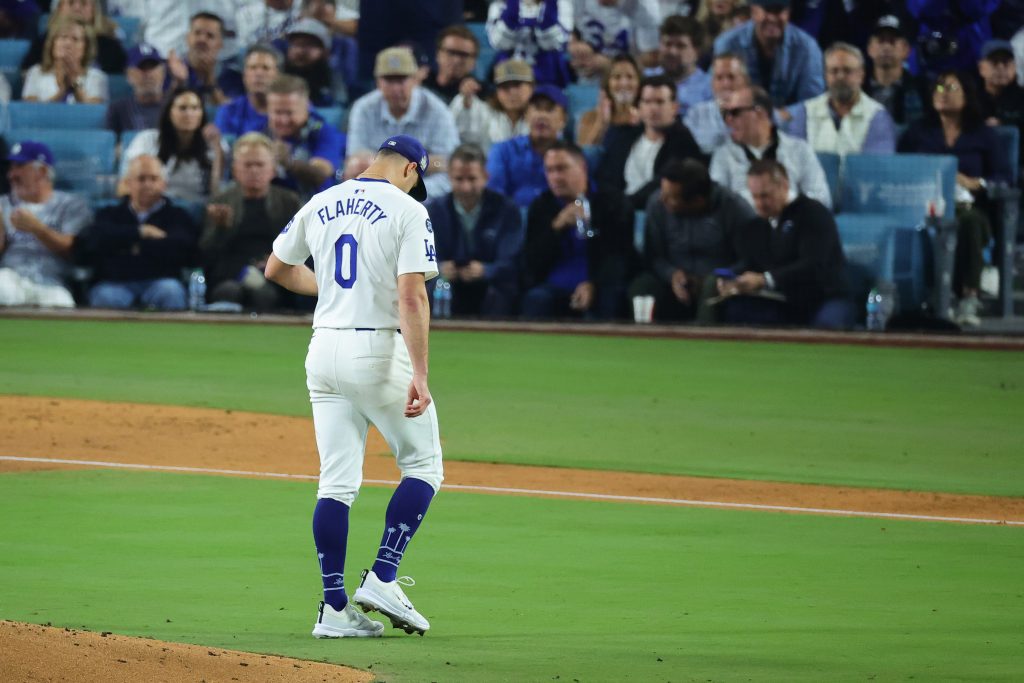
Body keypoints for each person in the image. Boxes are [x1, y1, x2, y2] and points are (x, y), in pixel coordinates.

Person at [264, 134, 442, 639]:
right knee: (424, 466)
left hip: (323, 350)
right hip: (376, 351)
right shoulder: (408, 211)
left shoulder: (322, 201)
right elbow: (412, 297)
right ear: (410, 168)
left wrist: (340, 290)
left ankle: (334, 609)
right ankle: (384, 576)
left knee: (336, 483)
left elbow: (276, 268)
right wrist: (421, 374)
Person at [897, 71, 1011, 327]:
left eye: (950, 88)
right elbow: (899, 166)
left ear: (966, 95)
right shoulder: (918, 131)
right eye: (938, 88)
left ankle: (969, 297)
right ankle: (928, 296)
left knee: (968, 222)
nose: (943, 94)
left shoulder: (983, 134)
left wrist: (975, 183)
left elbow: (1005, 177)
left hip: (968, 206)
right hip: (923, 205)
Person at [716, 159, 852, 328]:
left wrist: (764, 280)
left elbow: (814, 265)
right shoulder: (758, 225)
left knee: (825, 327)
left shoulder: (813, 213)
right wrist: (733, 278)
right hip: (785, 300)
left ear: (784, 186)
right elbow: (752, 261)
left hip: (826, 297)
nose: (759, 204)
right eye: (755, 196)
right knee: (736, 310)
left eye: (765, 195)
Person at [629, 158, 754, 322]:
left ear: (697, 201)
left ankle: (706, 342)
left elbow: (749, 260)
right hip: (673, 284)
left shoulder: (735, 208)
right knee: (642, 287)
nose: (662, 199)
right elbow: (653, 256)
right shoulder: (657, 204)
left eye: (670, 197)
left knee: (711, 286)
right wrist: (671, 274)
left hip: (720, 285)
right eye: (662, 192)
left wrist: (712, 278)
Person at [522, 140, 634, 319]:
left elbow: (619, 255)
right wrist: (556, 227)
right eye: (549, 170)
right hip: (554, 284)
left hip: (601, 281)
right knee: (536, 299)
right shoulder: (541, 206)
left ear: (582, 167)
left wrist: (593, 284)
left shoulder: (613, 202)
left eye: (562, 169)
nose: (555, 177)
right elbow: (532, 260)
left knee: (607, 299)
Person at [75, 155, 199, 311]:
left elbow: (183, 248)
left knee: (171, 292)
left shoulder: (178, 216)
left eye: (153, 179)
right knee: (104, 296)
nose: (147, 184)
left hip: (161, 281)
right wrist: (140, 232)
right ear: (128, 183)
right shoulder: (109, 214)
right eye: (141, 179)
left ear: (163, 184)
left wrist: (127, 246)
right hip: (115, 283)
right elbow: (94, 241)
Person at [201, 133, 301, 312]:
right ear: (235, 170)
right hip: (228, 274)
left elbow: (301, 248)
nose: (254, 170)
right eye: (248, 165)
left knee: (264, 294)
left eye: (260, 165)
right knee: (228, 291)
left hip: (274, 276)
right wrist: (220, 228)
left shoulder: (289, 202)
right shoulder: (219, 202)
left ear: (272, 169)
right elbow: (205, 253)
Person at [346, 47, 460, 199]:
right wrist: (418, 163)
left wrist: (401, 190)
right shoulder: (364, 108)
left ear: (415, 79)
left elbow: (447, 166)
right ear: (378, 81)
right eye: (389, 80)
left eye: (401, 80)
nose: (395, 88)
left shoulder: (438, 111)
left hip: (424, 194)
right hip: (374, 192)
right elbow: (357, 160)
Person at [425, 144, 524, 317]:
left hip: (491, 285)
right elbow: (425, 256)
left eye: (472, 179)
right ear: (449, 177)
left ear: (486, 177)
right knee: (434, 285)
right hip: (449, 284)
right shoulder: (434, 210)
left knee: (503, 288)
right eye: (459, 179)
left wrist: (487, 270)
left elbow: (512, 259)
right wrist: (440, 268)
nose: (466, 187)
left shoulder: (506, 209)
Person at [0, 141, 91, 308]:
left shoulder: (71, 205)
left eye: (19, 166)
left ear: (42, 171)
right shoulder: (3, 205)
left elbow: (73, 251)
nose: (11, 175)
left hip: (52, 284)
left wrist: (37, 228)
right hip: (11, 278)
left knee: (63, 304)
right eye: (11, 168)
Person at [710, 85, 831, 208]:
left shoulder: (800, 150)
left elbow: (821, 199)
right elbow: (717, 204)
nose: (728, 120)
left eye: (735, 113)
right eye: (725, 113)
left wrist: (784, 200)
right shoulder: (723, 156)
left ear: (760, 113)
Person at [597, 75, 703, 210]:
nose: (653, 108)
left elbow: (664, 184)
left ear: (674, 107)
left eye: (659, 102)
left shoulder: (684, 141)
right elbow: (605, 177)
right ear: (639, 107)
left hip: (658, 212)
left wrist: (624, 204)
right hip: (618, 212)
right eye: (647, 102)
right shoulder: (624, 137)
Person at [782, 42, 896, 155]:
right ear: (825, 75)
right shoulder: (804, 113)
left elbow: (876, 166)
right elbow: (794, 161)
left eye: (847, 71)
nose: (840, 77)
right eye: (834, 71)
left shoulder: (877, 116)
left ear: (861, 75)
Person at [120, 87, 223, 204]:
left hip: (199, 207)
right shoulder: (146, 140)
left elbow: (217, 192)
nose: (189, 114)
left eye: (195, 108)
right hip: (157, 206)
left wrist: (217, 149)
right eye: (182, 108)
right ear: (169, 112)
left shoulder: (214, 143)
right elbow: (127, 183)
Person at [713, 0, 823, 108]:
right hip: (739, 118)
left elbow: (813, 103)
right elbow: (719, 96)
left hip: (791, 122)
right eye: (767, 10)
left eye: (778, 11)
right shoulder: (727, 44)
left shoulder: (808, 47)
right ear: (753, 11)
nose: (772, 18)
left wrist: (778, 117)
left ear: (788, 12)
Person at [264, 75, 346, 200]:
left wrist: (289, 163)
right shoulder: (262, 134)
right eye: (277, 112)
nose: (283, 120)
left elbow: (321, 174)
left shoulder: (324, 133)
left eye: (289, 112)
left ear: (307, 107)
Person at [487, 85, 570, 209]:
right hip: (513, 223)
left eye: (549, 109)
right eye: (536, 108)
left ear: (563, 119)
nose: (542, 115)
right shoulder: (503, 151)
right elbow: (493, 197)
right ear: (526, 115)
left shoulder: (572, 156)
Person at [451, 59, 534, 155]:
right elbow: (463, 135)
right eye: (504, 87)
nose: (512, 92)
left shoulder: (543, 115)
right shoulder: (485, 112)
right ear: (497, 91)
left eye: (517, 85)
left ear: (531, 87)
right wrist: (466, 101)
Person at [21, 0, 126, 74]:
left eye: (84, 3)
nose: (77, 8)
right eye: (71, 2)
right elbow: (26, 73)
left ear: (94, 10)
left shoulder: (110, 46)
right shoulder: (44, 41)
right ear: (60, 8)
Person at [487, 0, 574, 86]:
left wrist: (549, 11)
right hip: (510, 73)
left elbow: (552, 44)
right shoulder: (499, 5)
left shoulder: (561, 4)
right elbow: (500, 43)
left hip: (548, 72)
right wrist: (512, 9)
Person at [22, 17, 109, 103]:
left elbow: (95, 113)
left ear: (86, 48)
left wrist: (75, 85)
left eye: (75, 39)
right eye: (63, 37)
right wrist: (61, 93)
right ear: (53, 43)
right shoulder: (36, 73)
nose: (67, 44)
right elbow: (30, 112)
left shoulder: (97, 77)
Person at [863, 15, 929, 126]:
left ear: (906, 50)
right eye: (881, 40)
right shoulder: (857, 89)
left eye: (892, 41)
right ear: (869, 48)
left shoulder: (922, 89)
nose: (886, 47)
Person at [684, 51, 750, 154]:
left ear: (745, 81)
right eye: (719, 78)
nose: (725, 84)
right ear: (712, 82)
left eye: (731, 77)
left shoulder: (756, 113)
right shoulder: (696, 114)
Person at [214, 44, 282, 141]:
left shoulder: (296, 109)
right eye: (253, 68)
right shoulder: (229, 112)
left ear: (278, 76)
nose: (258, 73)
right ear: (244, 76)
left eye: (265, 68)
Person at [647, 15, 712, 115]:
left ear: (697, 51)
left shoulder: (710, 88)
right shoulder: (646, 79)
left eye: (680, 45)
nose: (673, 52)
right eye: (667, 44)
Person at [166, 11, 233, 106]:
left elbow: (232, 114)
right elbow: (158, 113)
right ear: (187, 38)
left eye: (210, 36)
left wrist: (210, 82)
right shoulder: (168, 71)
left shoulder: (231, 75)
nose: (202, 39)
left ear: (220, 44)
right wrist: (179, 83)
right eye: (197, 33)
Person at [575, 53, 641, 147]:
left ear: (639, 84)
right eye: (617, 77)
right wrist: (602, 124)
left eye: (630, 77)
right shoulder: (589, 118)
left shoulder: (647, 120)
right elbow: (584, 156)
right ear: (607, 84)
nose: (623, 83)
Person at [977, 39, 1024, 168]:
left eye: (1006, 62)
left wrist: (1003, 122)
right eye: (994, 62)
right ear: (981, 67)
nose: (1001, 67)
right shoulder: (969, 98)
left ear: (1014, 67)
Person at [574, 0, 662, 69]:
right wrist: (574, 44)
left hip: (626, 82)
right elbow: (568, 30)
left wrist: (610, 64)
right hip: (581, 79)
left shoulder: (646, 8)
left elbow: (651, 59)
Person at [105, 44, 166, 137]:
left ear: (163, 72)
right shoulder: (118, 110)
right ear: (128, 75)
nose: (148, 74)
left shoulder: (177, 105)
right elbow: (110, 145)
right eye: (142, 68)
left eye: (152, 67)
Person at [282, 17, 337, 107]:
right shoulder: (279, 74)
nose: (300, 51)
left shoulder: (332, 79)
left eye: (308, 45)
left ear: (325, 52)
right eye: (296, 44)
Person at [425, 24, 480, 104]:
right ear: (438, 54)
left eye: (464, 55)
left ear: (474, 62)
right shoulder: (420, 84)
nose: (456, 60)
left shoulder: (481, 93)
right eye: (451, 52)